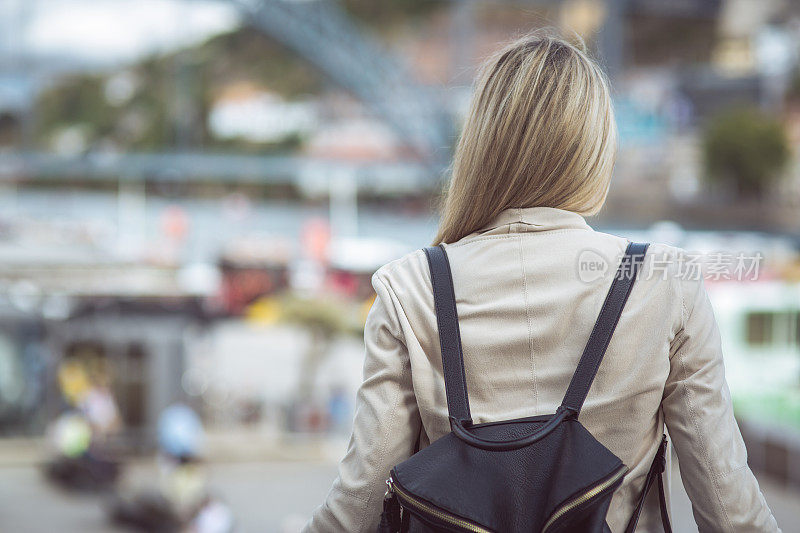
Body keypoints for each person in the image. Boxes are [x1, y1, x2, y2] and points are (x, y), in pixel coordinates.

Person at [303, 32, 779, 532]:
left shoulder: (412, 288)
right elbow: (731, 514)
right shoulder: (664, 284)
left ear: (481, 146)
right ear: (594, 148)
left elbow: (354, 510)